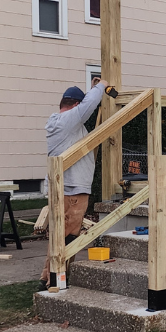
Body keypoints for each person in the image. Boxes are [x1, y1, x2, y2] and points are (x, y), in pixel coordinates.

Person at [41, 80, 107, 284]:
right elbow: (89, 104)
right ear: (76, 105)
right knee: (67, 236)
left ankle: (51, 277)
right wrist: (102, 85)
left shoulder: (60, 123)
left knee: (61, 234)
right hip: (72, 190)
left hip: (64, 187)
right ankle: (55, 279)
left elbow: (85, 105)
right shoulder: (68, 121)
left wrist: (92, 89)